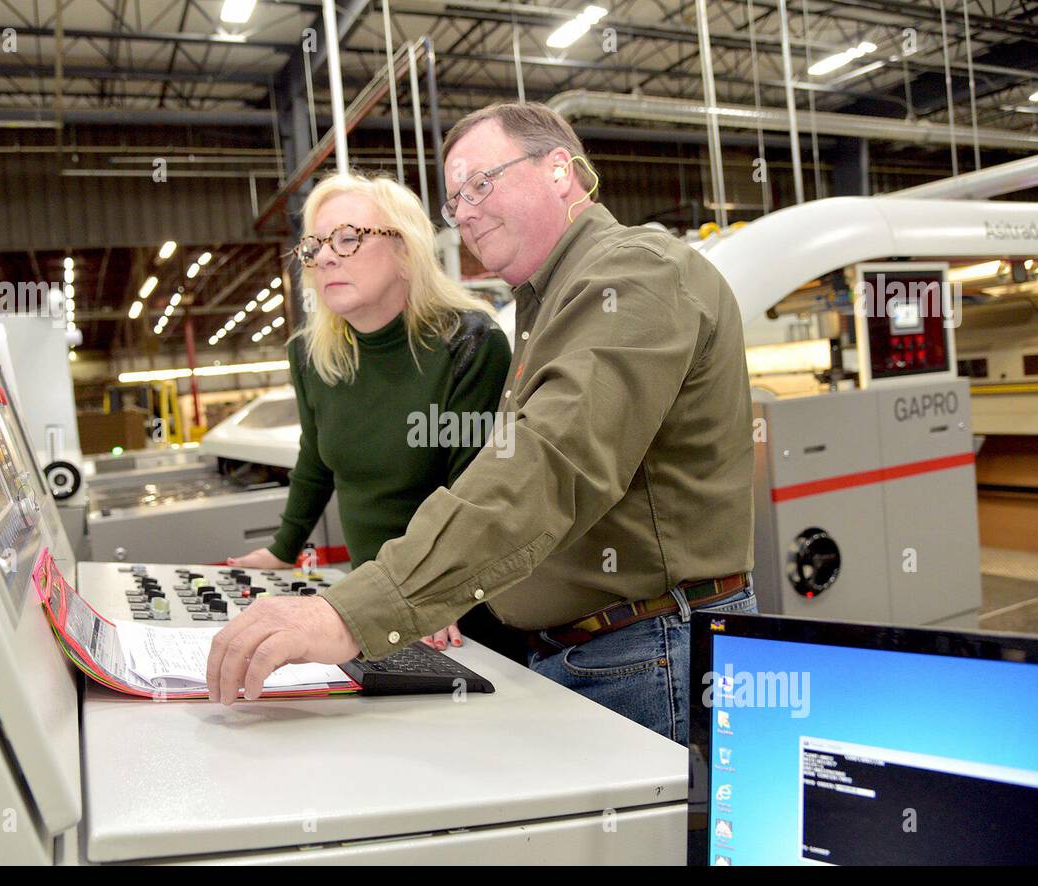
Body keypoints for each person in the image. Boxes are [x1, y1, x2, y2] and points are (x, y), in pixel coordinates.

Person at [207, 103, 755, 745]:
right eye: (453, 199)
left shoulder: (634, 273)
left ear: (559, 170)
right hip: (588, 648)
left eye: (480, 183)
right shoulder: (548, 303)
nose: (463, 211)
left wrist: (353, 612)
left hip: (647, 648)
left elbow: (547, 465)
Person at [226, 171, 512, 654]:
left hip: (458, 611)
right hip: (368, 596)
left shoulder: (468, 344)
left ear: (406, 250)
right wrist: (283, 548)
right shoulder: (312, 356)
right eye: (314, 245)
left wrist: (425, 596)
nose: (326, 256)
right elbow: (315, 458)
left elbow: (472, 495)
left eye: (348, 239)